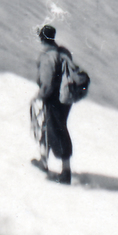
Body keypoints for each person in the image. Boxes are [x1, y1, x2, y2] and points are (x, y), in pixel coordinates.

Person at [33, 22, 73, 183]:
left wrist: (40, 96)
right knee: (50, 127)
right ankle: (44, 160)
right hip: (66, 98)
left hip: (54, 98)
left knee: (57, 130)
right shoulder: (63, 52)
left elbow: (47, 83)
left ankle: (65, 173)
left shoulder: (48, 56)